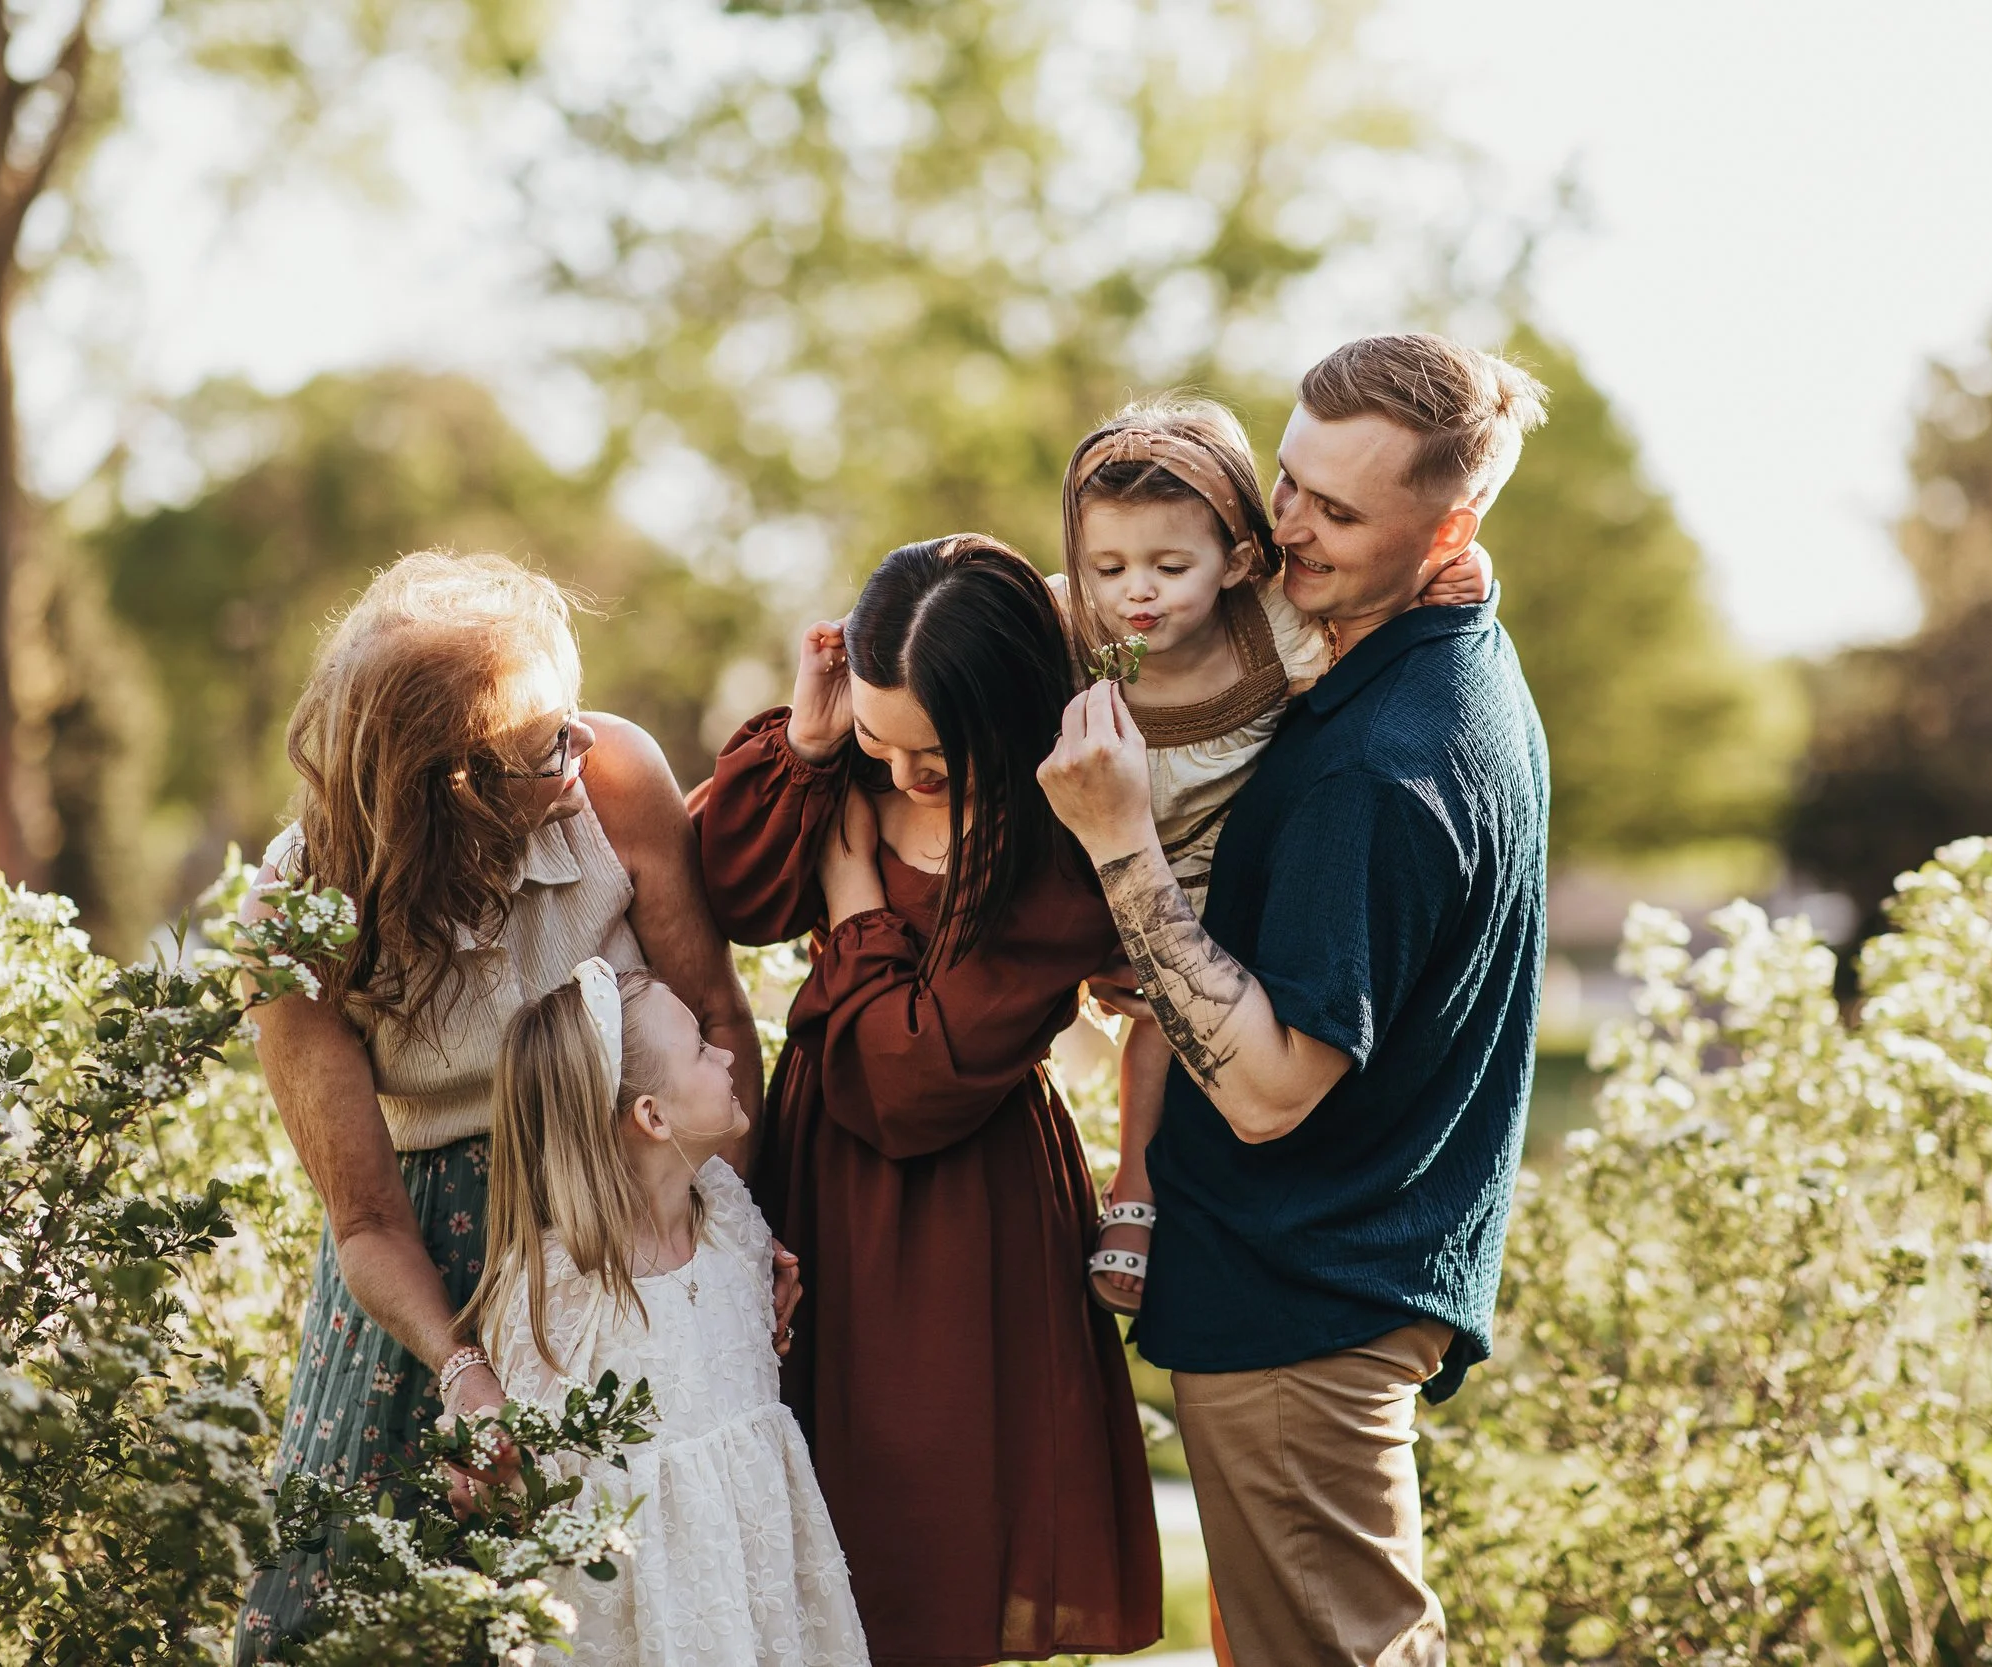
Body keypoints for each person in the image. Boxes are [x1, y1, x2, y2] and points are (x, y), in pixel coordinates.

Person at [1037, 333, 1552, 1666]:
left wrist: (1119, 844)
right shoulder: (1442, 647)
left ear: (1451, 528)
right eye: (1288, 479)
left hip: (1303, 1308)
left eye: (1338, 509)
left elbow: (1268, 1089)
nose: (1289, 526)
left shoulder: (1379, 768)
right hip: (1333, 1284)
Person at [234, 551, 787, 1661]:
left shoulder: (613, 782)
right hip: (437, 1273)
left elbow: (717, 1018)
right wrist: (466, 1371)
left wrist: (729, 1229)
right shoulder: (294, 926)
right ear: (446, 787)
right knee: (382, 1612)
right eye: (546, 747)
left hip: (625, 1227)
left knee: (638, 1592)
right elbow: (364, 1220)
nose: (582, 751)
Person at [693, 534, 1162, 1666]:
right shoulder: (840, 766)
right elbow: (731, 891)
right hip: (812, 1180)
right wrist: (809, 747)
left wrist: (852, 898)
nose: (900, 778)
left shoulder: (1052, 855)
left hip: (962, 1207)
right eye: (877, 739)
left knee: (925, 1530)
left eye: (934, 757)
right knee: (797, 1533)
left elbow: (910, 1081)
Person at [1047, 395, 1492, 1314]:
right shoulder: (1069, 632)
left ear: (1238, 560)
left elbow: (1379, 601)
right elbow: (957, 630)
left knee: (1169, 1026)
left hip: (1210, 869)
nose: (1138, 591)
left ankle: (1135, 1187)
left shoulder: (1271, 626)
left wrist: (1462, 576)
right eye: (1109, 566)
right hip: (1089, 846)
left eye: (1172, 565)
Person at [461, 958, 869, 1667]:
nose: (730, 1051)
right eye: (703, 1048)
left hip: (764, 1588)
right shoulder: (556, 1290)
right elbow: (526, 1487)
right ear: (652, 1116)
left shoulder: (732, 1221)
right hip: (649, 1625)